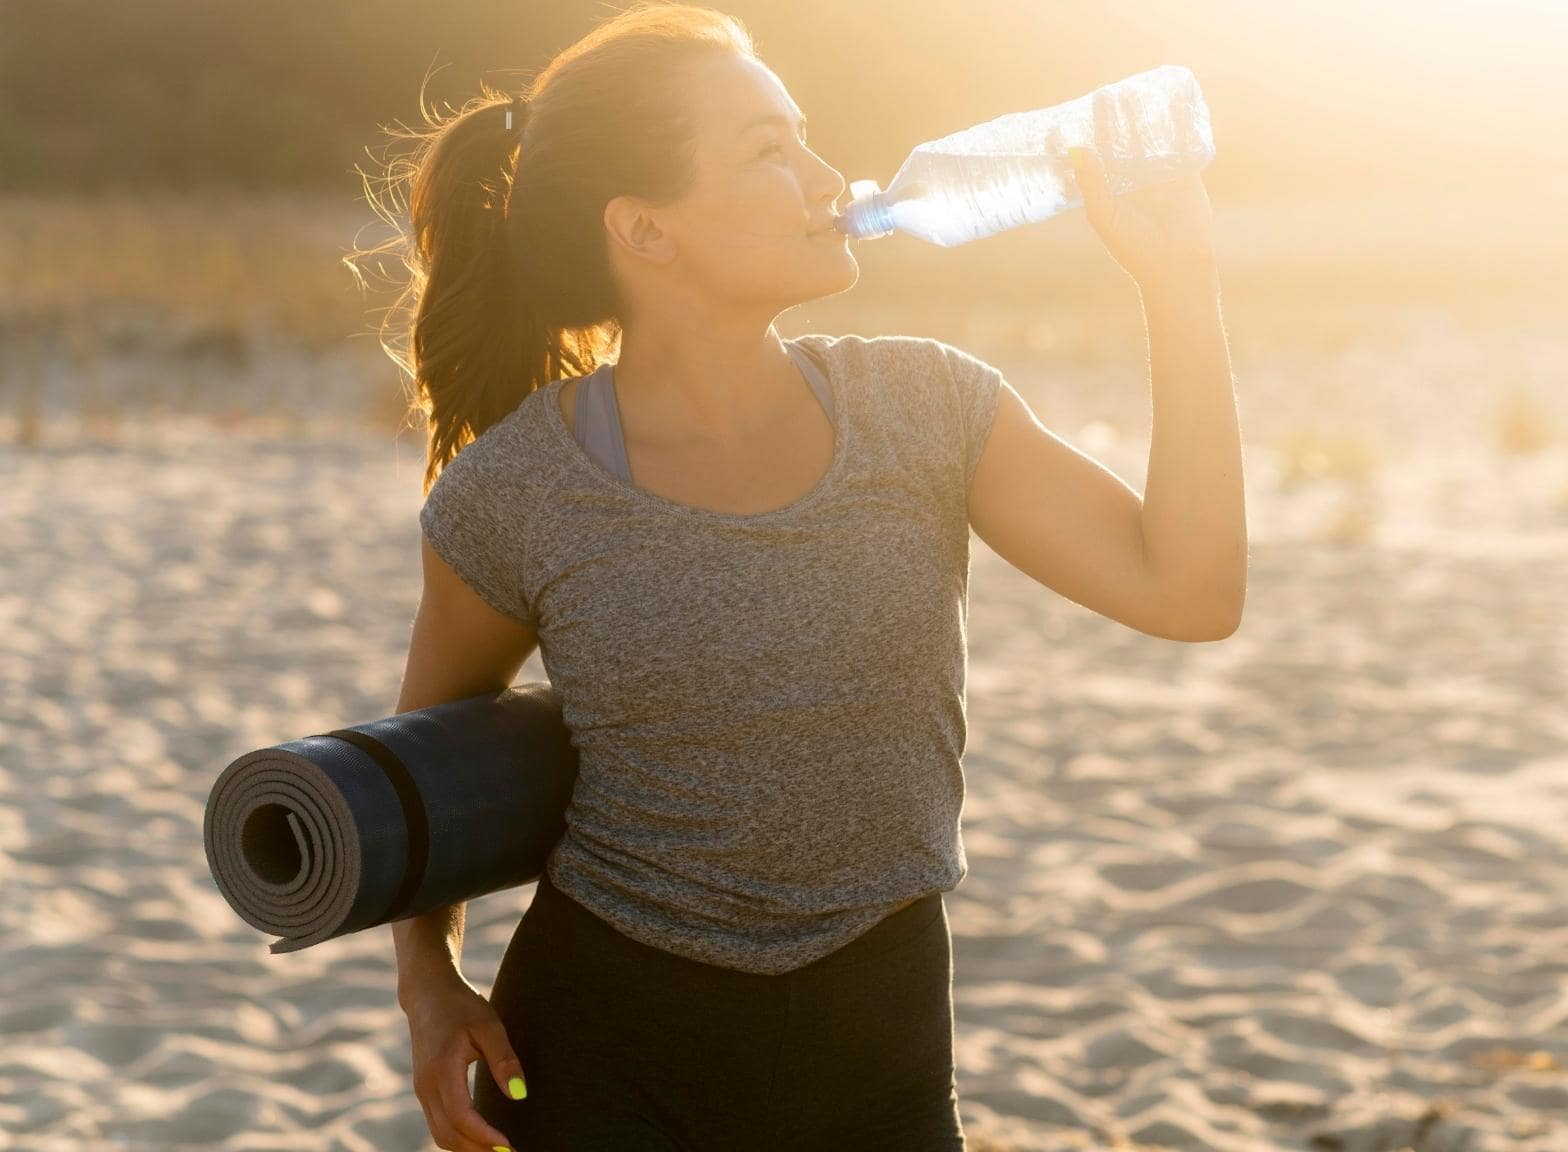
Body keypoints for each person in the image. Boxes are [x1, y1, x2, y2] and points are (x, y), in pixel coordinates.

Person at [377, 3, 1243, 1149]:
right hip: (601, 1065)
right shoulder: (518, 491)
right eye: (768, 153)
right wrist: (428, 987)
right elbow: (419, 771)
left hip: (878, 1058)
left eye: (807, 138)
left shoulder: (928, 409)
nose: (828, 177)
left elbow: (1189, 591)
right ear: (645, 229)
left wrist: (1179, 280)